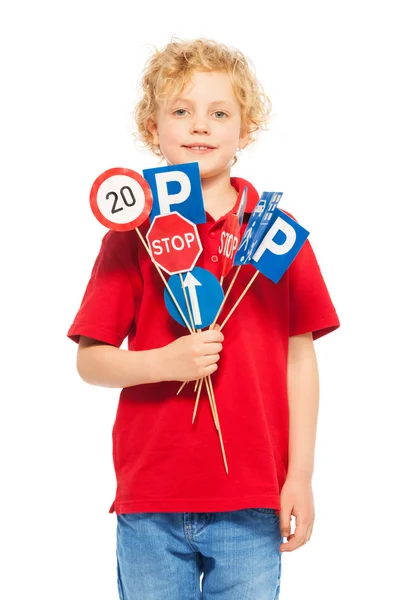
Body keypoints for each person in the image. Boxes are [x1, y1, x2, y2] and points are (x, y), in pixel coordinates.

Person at [67, 37, 340, 600]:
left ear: (246, 131)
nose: (200, 126)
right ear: (152, 126)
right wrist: (164, 362)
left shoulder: (275, 232)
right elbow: (90, 363)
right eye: (181, 110)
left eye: (220, 113)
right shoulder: (133, 234)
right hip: (151, 498)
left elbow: (300, 358)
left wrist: (302, 477)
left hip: (252, 498)